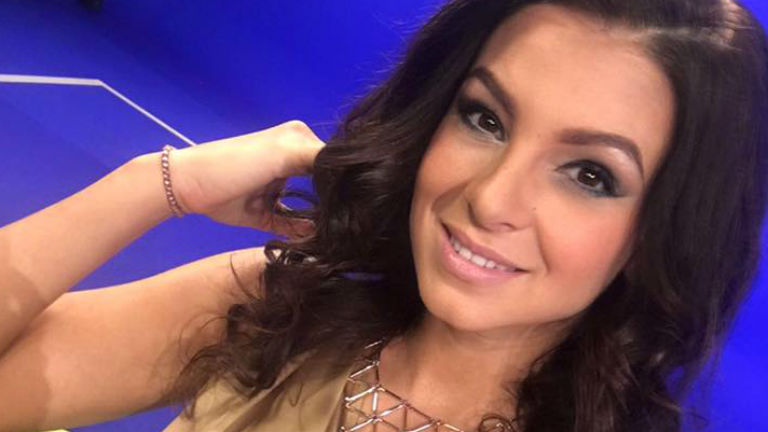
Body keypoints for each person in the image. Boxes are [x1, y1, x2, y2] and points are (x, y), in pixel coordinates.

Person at [1, 0, 766, 431]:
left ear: (664, 231)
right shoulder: (275, 309)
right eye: (485, 119)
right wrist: (157, 183)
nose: (491, 199)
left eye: (590, 175)